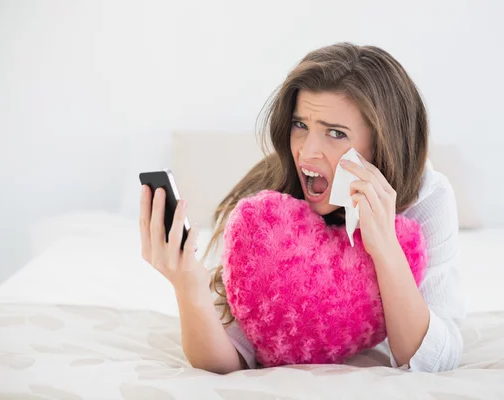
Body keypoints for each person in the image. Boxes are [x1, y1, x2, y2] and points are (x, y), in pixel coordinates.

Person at [139, 42, 465, 374]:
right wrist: (188, 287)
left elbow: (435, 359)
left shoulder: (427, 198)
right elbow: (231, 359)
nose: (308, 154)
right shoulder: (269, 211)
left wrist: (386, 249)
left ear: (383, 143)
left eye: (335, 133)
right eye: (301, 125)